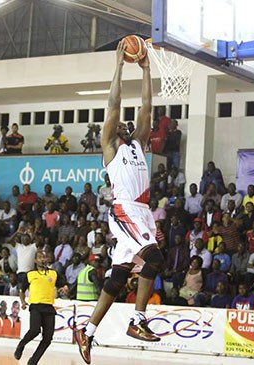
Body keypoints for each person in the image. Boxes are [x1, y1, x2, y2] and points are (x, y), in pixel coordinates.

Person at [74, 44, 165, 365]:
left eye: (129, 124)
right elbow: (114, 105)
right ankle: (137, 321)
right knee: (155, 259)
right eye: (120, 124)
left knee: (116, 279)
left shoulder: (138, 143)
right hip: (125, 209)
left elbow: (147, 106)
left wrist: (146, 69)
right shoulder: (111, 146)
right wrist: (119, 64)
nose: (125, 124)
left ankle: (88, 330)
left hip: (143, 211)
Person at [15, 250, 68, 365]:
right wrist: (23, 301)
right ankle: (21, 345)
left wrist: (64, 287)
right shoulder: (30, 274)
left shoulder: (53, 274)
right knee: (34, 330)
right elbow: (21, 290)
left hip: (49, 307)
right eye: (40, 257)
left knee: (48, 338)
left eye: (45, 257)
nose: (43, 259)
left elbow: (62, 284)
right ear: (35, 260)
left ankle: (33, 361)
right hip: (36, 306)